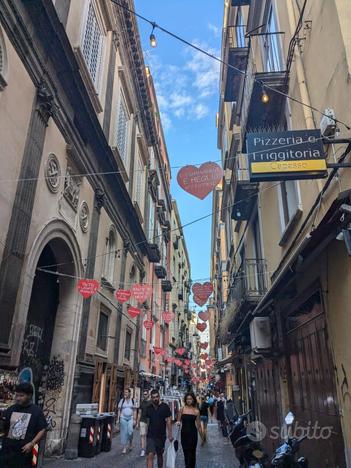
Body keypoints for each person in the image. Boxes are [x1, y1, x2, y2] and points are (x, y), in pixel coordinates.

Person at [0, 382, 47, 468]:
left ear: (29, 396)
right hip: (8, 452)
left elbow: (42, 429)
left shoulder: (36, 411)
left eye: (21, 396)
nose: (18, 398)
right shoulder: (11, 409)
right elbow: (4, 426)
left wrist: (32, 443)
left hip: (25, 452)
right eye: (17, 395)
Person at [145, 389, 173, 468]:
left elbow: (168, 421)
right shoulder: (149, 408)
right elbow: (147, 421)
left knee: (160, 455)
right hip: (151, 435)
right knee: (150, 455)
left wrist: (170, 435)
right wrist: (145, 433)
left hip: (161, 436)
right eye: (153, 397)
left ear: (159, 397)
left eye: (157, 397)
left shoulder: (165, 407)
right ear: (151, 398)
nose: (155, 399)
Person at [176, 392, 202, 468]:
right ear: (185, 400)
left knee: (192, 453)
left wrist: (202, 438)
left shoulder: (196, 411)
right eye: (187, 399)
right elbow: (178, 420)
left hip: (193, 435)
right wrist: (178, 422)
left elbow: (199, 426)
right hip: (184, 434)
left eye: (190, 399)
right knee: (186, 453)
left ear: (193, 400)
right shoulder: (182, 409)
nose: (189, 400)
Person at [117, 388, 137, 454]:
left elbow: (134, 410)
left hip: (130, 418)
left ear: (129, 393)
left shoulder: (133, 400)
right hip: (123, 418)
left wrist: (134, 419)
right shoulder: (122, 401)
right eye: (124, 392)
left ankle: (130, 443)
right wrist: (118, 419)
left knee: (130, 431)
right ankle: (124, 447)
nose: (125, 394)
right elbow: (119, 410)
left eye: (126, 392)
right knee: (124, 433)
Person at [137, 389, 150, 457]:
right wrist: (137, 422)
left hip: (149, 421)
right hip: (142, 420)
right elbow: (139, 413)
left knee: (148, 436)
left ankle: (148, 448)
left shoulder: (151, 402)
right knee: (142, 436)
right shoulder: (141, 402)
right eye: (143, 394)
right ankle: (143, 450)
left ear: (148, 394)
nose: (144, 395)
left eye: (145, 394)